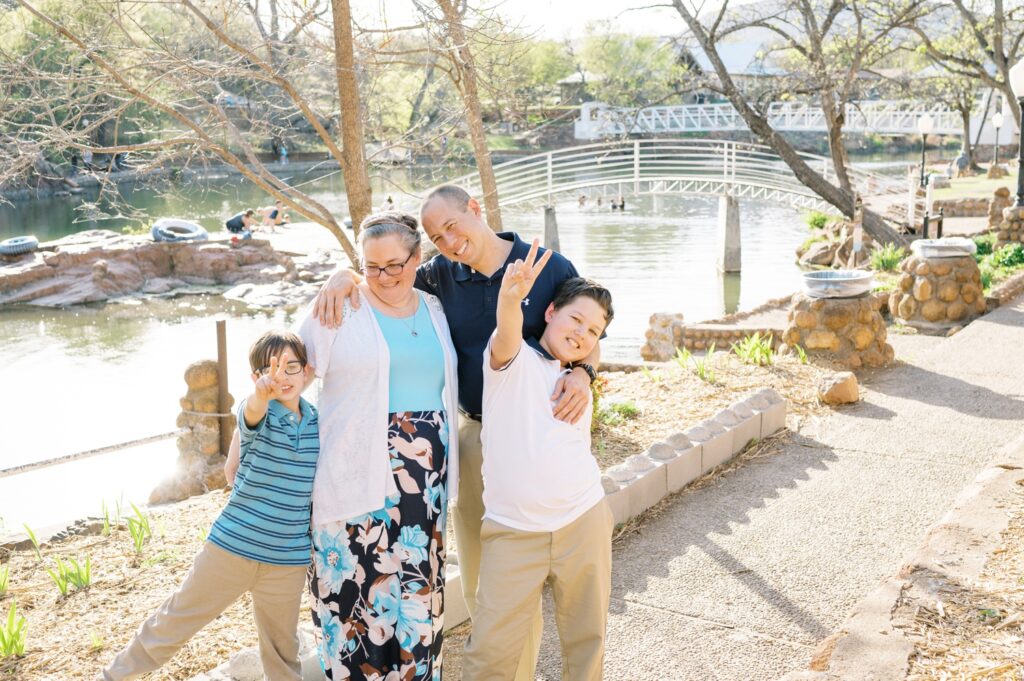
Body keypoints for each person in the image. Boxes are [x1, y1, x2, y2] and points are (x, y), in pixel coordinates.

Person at [312, 185, 600, 681]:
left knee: (547, 581)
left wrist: (585, 373)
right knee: (489, 584)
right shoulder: (439, 275)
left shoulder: (549, 266)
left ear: (475, 208)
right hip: (472, 437)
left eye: (452, 225)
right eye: (435, 236)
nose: (449, 240)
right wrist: (343, 274)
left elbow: (587, 328)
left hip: (537, 441)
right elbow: (386, 274)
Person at [99, 330, 319, 681]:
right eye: (271, 369)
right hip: (231, 550)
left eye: (292, 367)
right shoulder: (256, 415)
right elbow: (253, 408)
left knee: (283, 653)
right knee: (175, 621)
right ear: (256, 378)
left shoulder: (318, 423)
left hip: (287, 561)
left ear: (307, 370)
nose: (283, 376)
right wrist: (262, 393)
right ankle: (112, 677)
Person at [298, 211, 460, 680]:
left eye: (395, 264)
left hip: (423, 491)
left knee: (416, 600)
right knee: (354, 603)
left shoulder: (434, 308)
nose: (385, 277)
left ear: (417, 257)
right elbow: (289, 377)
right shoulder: (339, 307)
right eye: (372, 266)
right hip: (354, 482)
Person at [463, 266, 615, 681]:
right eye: (576, 319)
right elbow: (507, 331)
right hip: (514, 531)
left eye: (594, 331)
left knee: (586, 641)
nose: (583, 333)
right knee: (489, 651)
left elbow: (588, 352)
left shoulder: (576, 376)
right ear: (550, 312)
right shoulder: (512, 363)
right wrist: (510, 298)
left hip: (583, 519)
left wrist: (584, 371)